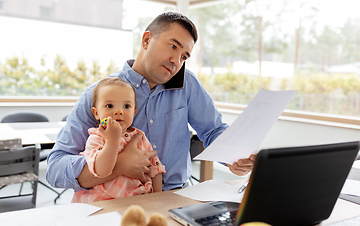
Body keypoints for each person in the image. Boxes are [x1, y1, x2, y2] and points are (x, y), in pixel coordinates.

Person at [46, 11, 256, 193]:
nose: (177, 61)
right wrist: (118, 164)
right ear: (146, 40)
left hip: (175, 196)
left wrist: (234, 156)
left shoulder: (187, 84)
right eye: (173, 46)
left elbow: (213, 130)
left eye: (184, 56)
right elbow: (56, 168)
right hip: (117, 200)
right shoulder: (100, 96)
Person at [71, 77, 165, 203]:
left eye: (126, 106)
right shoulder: (97, 137)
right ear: (96, 113)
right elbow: (102, 170)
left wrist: (158, 197)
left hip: (135, 200)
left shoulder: (140, 137)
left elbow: (155, 167)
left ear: (134, 112)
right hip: (100, 202)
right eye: (109, 106)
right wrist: (112, 139)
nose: (119, 111)